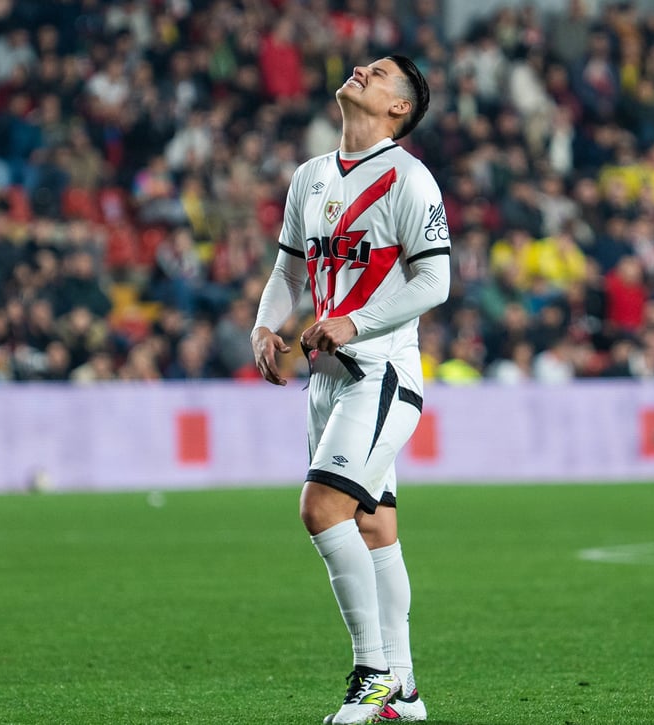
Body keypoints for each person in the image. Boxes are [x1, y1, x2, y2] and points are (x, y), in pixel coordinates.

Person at [250, 55, 447, 724]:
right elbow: (289, 271)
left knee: (321, 508)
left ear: (400, 108)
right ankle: (406, 689)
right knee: (373, 525)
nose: (362, 67)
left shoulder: (409, 179)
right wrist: (264, 325)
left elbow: (436, 281)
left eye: (381, 72)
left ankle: (373, 674)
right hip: (326, 381)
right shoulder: (310, 176)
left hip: (381, 374)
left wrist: (354, 322)